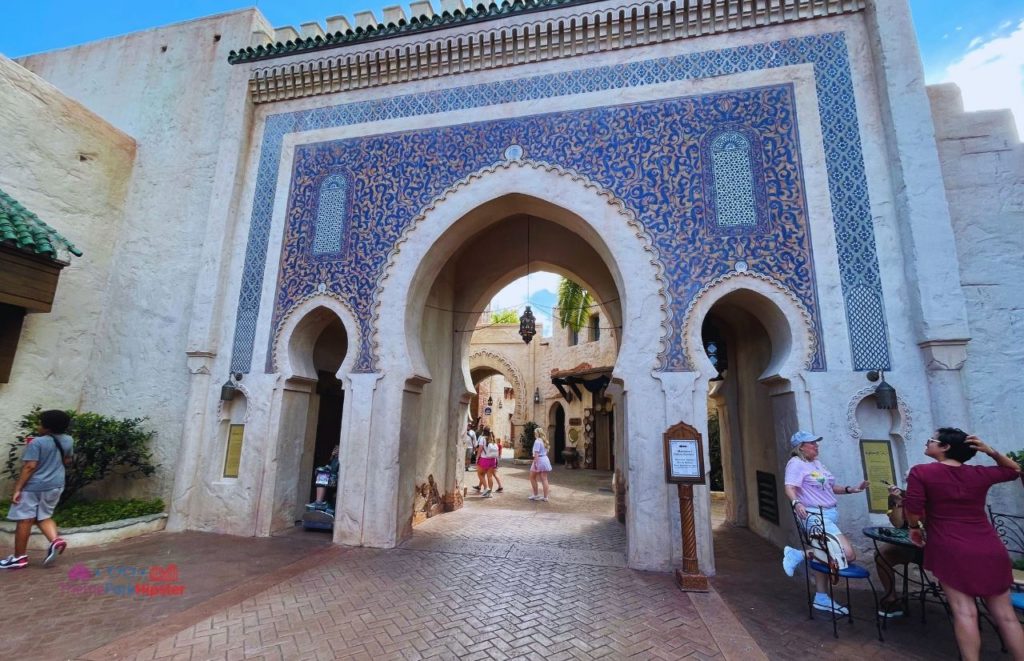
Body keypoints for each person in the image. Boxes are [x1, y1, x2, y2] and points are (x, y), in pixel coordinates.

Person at [902, 429, 1024, 661]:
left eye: (931, 440)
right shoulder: (979, 474)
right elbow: (1014, 470)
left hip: (952, 546)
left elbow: (914, 508)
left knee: (964, 612)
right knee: (1006, 615)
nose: (927, 442)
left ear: (945, 447)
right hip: (989, 547)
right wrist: (990, 452)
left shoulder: (922, 472)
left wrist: (914, 528)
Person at [780, 430, 868, 615]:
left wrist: (851, 489)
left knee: (826, 552)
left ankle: (821, 597)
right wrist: (796, 503)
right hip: (814, 516)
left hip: (829, 514)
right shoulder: (796, 464)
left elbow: (829, 487)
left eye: (816, 442)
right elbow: (789, 486)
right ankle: (800, 555)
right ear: (801, 447)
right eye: (812, 443)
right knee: (847, 554)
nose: (816, 445)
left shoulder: (817, 464)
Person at [1, 409, 74, 570]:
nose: (37, 425)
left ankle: (19, 558)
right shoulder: (68, 440)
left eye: (40, 423)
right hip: (56, 485)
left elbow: (30, 466)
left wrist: (18, 489)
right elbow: (67, 460)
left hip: (34, 487)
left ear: (47, 428)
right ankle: (56, 540)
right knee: (44, 516)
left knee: (25, 519)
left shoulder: (37, 442)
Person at [873, 482, 921, 618]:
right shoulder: (897, 497)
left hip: (932, 545)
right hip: (908, 545)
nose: (908, 481)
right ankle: (891, 599)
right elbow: (898, 524)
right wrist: (898, 502)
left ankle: (956, 603)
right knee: (881, 555)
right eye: (906, 479)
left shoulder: (929, 495)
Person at [307, 444, 339, 511]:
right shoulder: (333, 459)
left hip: (337, 480)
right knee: (321, 472)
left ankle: (319, 502)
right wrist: (332, 456)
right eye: (335, 449)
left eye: (337, 449)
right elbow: (327, 467)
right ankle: (319, 502)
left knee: (322, 476)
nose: (336, 450)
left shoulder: (340, 459)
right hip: (331, 478)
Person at [529, 429, 552, 502]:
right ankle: (545, 497)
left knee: (532, 477)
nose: (534, 434)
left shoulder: (537, 441)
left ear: (538, 433)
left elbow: (536, 453)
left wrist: (535, 463)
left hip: (539, 460)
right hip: (545, 459)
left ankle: (536, 495)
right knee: (544, 479)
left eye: (535, 433)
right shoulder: (544, 441)